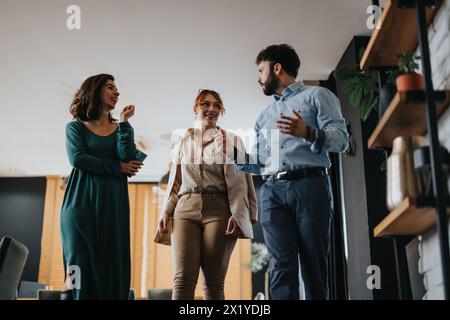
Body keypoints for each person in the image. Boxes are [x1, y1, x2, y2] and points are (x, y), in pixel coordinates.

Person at [220, 44, 348, 300]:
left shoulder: (317, 95)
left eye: (260, 70)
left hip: (310, 186)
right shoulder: (264, 116)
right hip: (273, 192)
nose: (258, 78)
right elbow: (260, 161)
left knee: (314, 266)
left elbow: (341, 140)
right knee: (281, 266)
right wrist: (235, 154)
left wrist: (309, 133)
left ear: (276, 68)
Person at [157, 89, 257, 300]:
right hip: (185, 209)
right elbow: (176, 183)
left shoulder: (233, 140)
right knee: (182, 280)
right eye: (205, 104)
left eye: (216, 105)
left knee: (213, 284)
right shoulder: (184, 141)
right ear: (196, 109)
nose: (211, 109)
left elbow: (240, 184)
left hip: (220, 211)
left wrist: (237, 214)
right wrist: (165, 212)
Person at [60, 73, 143, 299]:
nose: (116, 92)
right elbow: (77, 158)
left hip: (112, 206)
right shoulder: (75, 127)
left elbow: (126, 155)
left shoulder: (120, 129)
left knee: (111, 264)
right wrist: (117, 168)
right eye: (110, 87)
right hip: (79, 205)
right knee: (76, 264)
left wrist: (125, 123)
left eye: (116, 88)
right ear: (95, 91)